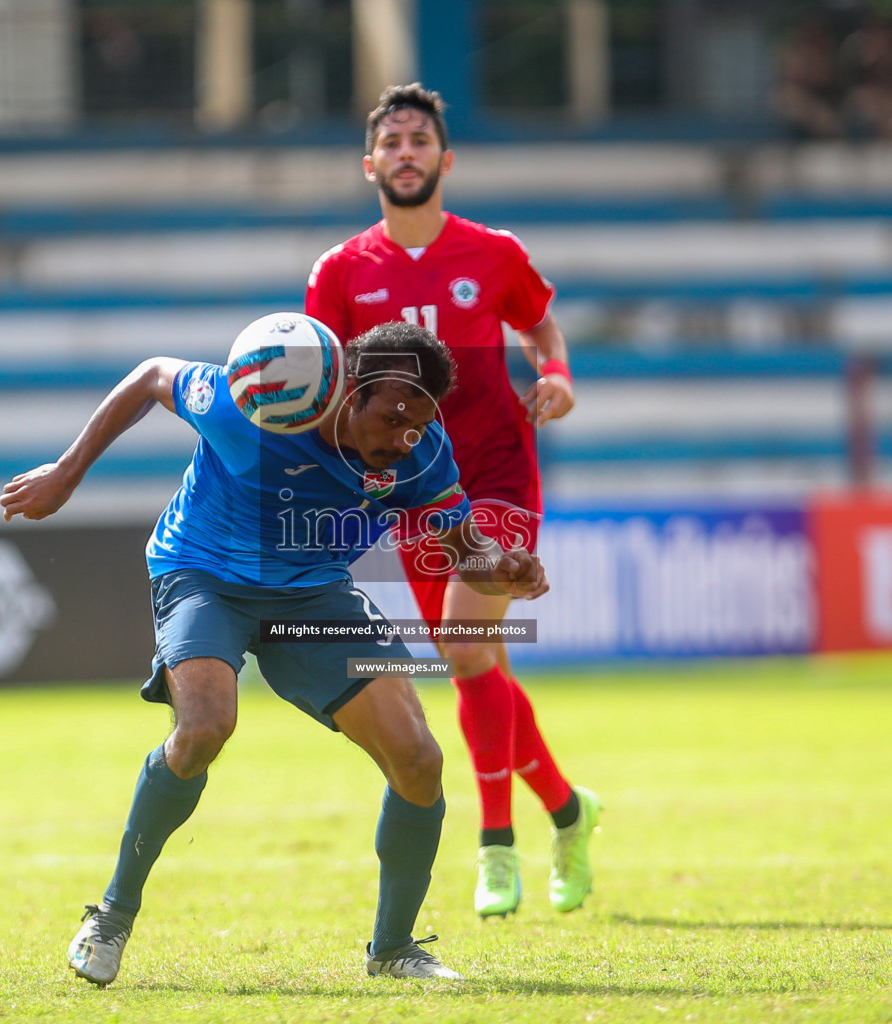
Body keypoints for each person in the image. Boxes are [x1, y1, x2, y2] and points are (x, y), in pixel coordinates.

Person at [0, 317, 548, 985]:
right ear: (349, 392)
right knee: (204, 727)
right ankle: (110, 917)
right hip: (204, 575)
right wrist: (64, 472)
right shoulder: (247, 403)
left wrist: (506, 568)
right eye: (392, 419)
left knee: (419, 759)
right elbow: (150, 376)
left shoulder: (424, 452)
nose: (403, 439)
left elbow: (470, 555)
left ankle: (394, 948)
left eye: (419, 421)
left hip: (313, 597)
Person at [305, 83, 600, 920]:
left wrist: (557, 376)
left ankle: (497, 849)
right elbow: (325, 383)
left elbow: (542, 326)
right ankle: (571, 813)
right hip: (416, 495)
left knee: (468, 654)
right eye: (391, 142)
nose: (406, 152)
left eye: (419, 140)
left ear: (444, 159)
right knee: (485, 667)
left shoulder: (492, 254)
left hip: (499, 475)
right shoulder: (339, 272)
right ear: (371, 164)